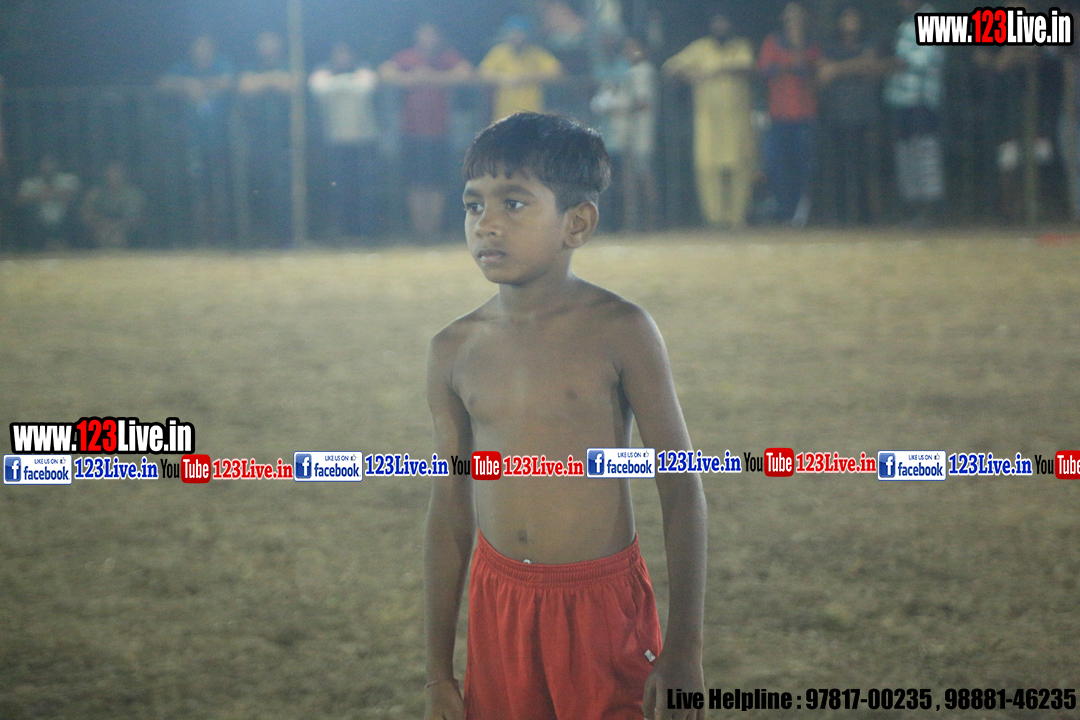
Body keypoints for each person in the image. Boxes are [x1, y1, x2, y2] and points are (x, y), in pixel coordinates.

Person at [424, 112, 707, 720]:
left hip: (602, 608)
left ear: (576, 223)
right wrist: (436, 672)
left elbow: (681, 488)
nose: (486, 223)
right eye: (473, 205)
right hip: (498, 603)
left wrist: (685, 647)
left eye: (514, 203)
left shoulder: (621, 330)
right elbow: (449, 508)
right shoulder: (452, 349)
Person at [664, 13, 756, 228]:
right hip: (708, 121)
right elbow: (670, 66)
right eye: (717, 22)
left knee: (740, 166)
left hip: (737, 119)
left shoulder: (740, 46)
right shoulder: (701, 48)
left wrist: (717, 69)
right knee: (708, 168)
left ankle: (737, 217)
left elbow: (747, 65)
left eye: (724, 22)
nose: (720, 26)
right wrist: (690, 74)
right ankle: (715, 218)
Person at [381, 23, 472, 238]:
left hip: (439, 130)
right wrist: (411, 79)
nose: (428, 39)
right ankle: (419, 231)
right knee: (415, 183)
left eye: (431, 35)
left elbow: (467, 72)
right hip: (411, 130)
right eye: (424, 35)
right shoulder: (408, 57)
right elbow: (384, 72)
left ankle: (433, 231)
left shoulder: (446, 57)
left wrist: (434, 78)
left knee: (436, 182)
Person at [158, 35, 235, 244]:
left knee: (221, 189)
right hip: (192, 142)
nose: (202, 50)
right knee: (198, 191)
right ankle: (200, 237)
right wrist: (185, 84)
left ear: (213, 48)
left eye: (206, 46)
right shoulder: (184, 68)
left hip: (221, 141)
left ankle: (223, 236)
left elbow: (229, 81)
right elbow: (162, 84)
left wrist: (201, 85)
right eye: (198, 46)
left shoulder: (221, 63)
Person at [817, 6, 886, 224]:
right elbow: (822, 74)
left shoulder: (870, 41)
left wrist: (838, 69)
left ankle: (872, 218)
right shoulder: (830, 46)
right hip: (838, 115)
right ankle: (843, 216)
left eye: (854, 16)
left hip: (866, 114)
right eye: (846, 17)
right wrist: (856, 66)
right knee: (841, 169)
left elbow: (871, 64)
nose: (850, 21)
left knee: (868, 168)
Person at [758, 2, 821, 226]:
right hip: (778, 115)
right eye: (790, 14)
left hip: (805, 115)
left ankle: (801, 215)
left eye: (797, 14)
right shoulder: (772, 41)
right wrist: (792, 65)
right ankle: (785, 211)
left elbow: (810, 72)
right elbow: (766, 70)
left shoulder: (812, 45)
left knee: (803, 166)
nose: (793, 18)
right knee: (777, 166)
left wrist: (795, 52)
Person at [310, 42, 380, 239]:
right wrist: (349, 82)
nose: (342, 57)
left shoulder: (364, 70)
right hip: (335, 142)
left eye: (346, 53)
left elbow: (364, 89)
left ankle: (366, 233)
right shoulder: (321, 72)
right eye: (338, 53)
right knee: (340, 190)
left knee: (364, 190)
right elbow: (320, 90)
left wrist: (336, 84)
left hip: (364, 141)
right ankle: (343, 233)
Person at [884, 0, 945, 226]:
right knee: (906, 152)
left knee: (925, 151)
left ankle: (929, 208)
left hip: (921, 99)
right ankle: (913, 207)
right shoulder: (906, 23)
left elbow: (925, 59)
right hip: (901, 99)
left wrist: (897, 62)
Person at [592, 36, 659, 231]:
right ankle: (633, 222)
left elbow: (642, 103)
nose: (630, 52)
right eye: (628, 48)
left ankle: (652, 221)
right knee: (629, 180)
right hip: (628, 134)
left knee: (643, 175)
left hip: (642, 133)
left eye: (634, 47)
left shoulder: (644, 71)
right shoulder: (628, 72)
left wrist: (618, 107)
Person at [237, 31, 294, 245]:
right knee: (259, 185)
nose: (267, 47)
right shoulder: (251, 67)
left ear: (279, 45)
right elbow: (245, 86)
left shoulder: (289, 64)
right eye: (263, 43)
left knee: (283, 187)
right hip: (258, 138)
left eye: (271, 42)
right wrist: (273, 80)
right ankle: (261, 234)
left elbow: (291, 84)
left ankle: (285, 236)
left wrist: (264, 82)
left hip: (285, 139)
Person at [479, 16, 563, 123]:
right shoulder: (500, 51)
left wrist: (528, 78)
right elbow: (482, 73)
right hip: (504, 114)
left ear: (528, 35)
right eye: (513, 33)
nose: (517, 37)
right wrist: (504, 78)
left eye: (520, 33)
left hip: (531, 113)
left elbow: (556, 72)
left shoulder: (536, 52)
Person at [15, 154, 81, 250]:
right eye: (44, 163)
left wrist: (54, 193)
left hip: (63, 218)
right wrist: (38, 196)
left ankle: (67, 244)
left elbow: (75, 196)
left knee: (75, 213)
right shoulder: (30, 183)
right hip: (38, 220)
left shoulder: (68, 179)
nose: (48, 167)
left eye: (50, 163)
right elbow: (18, 201)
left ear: (56, 164)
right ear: (39, 165)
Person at [80, 161, 146, 248]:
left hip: (125, 230)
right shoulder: (95, 193)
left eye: (117, 172)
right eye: (110, 172)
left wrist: (117, 226)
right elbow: (86, 213)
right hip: (99, 228)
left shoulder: (133, 194)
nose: (114, 176)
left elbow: (135, 217)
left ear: (123, 174)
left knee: (116, 237)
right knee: (104, 234)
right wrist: (101, 223)